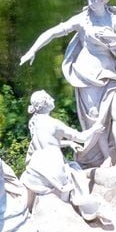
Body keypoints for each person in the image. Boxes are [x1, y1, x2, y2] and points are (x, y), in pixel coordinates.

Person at [20, 0, 116, 169]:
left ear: (103, 0)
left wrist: (112, 36)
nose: (90, 3)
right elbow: (54, 32)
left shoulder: (114, 20)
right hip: (87, 74)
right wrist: (33, 50)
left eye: (93, 0)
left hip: (110, 74)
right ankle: (106, 157)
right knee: (97, 118)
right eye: (88, 0)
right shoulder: (82, 20)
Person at [22, 90, 107, 223]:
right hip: (53, 166)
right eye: (50, 98)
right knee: (76, 170)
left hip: (36, 166)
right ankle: (86, 209)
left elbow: (48, 142)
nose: (53, 100)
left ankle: (25, 213)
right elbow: (81, 137)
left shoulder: (34, 122)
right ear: (45, 103)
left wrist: (68, 143)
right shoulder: (54, 123)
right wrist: (94, 128)